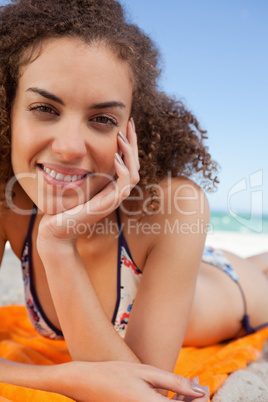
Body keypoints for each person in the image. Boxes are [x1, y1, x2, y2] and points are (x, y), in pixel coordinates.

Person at [0, 0, 267, 400]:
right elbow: (100, 379)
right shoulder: (7, 202)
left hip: (230, 289)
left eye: (102, 119)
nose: (70, 147)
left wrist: (56, 245)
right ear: (8, 111)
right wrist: (65, 378)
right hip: (173, 264)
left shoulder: (175, 204)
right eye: (44, 108)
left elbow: (142, 393)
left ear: (132, 132)